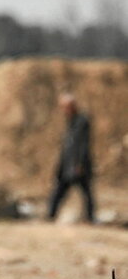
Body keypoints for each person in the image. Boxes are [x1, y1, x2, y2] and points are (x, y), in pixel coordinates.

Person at [48, 93, 94, 222]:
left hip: (77, 165)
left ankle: (90, 217)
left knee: (86, 193)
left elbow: (83, 145)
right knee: (60, 190)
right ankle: (50, 215)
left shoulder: (82, 121)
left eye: (65, 107)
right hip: (67, 164)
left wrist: (80, 163)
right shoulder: (71, 122)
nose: (64, 110)